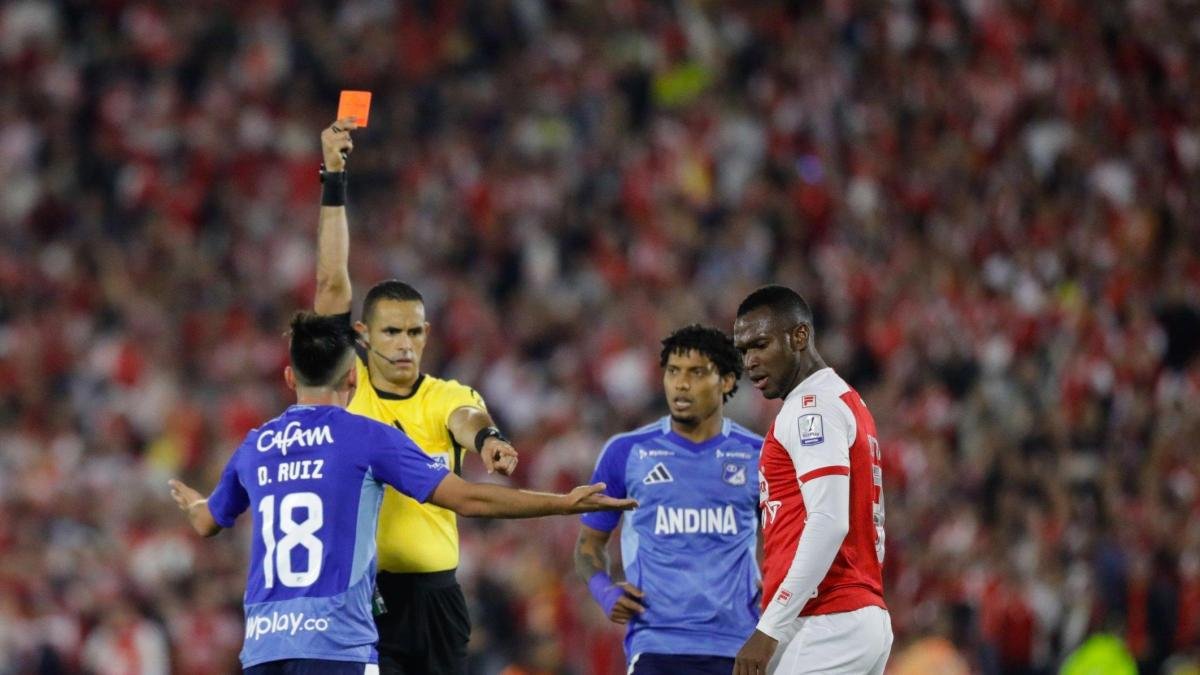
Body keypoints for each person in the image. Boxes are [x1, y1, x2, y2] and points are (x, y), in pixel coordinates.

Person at [168, 312, 635, 674]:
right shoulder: (366, 436)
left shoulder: (255, 446)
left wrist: (192, 501)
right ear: (353, 377)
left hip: (264, 651)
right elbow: (467, 498)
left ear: (290, 378)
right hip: (337, 648)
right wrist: (562, 503)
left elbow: (208, 521)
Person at [314, 119, 520, 674]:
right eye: (390, 332)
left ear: (427, 334)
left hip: (437, 602)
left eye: (414, 332)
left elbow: (468, 418)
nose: (405, 345)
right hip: (365, 598)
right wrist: (333, 178)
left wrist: (489, 441)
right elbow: (331, 283)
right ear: (363, 336)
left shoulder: (446, 394)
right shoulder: (351, 387)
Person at [574, 324, 763, 674]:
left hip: (739, 647)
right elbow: (588, 545)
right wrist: (604, 591)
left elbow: (792, 542)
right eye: (673, 371)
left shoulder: (759, 456)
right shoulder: (625, 452)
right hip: (656, 646)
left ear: (726, 382)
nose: (681, 384)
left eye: (696, 373)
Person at [730, 285, 892, 675]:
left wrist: (769, 629)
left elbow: (829, 521)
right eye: (744, 351)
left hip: (825, 621)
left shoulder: (810, 408)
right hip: (854, 615)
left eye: (761, 344)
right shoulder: (844, 400)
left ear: (799, 336)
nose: (750, 362)